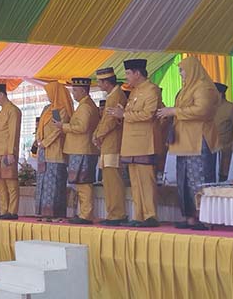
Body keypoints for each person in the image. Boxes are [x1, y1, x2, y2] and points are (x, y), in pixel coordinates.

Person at [157, 57, 219, 230]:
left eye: (182, 71)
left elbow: (203, 110)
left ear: (192, 70)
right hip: (184, 142)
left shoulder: (203, 87)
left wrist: (174, 111)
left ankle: (205, 218)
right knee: (184, 180)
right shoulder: (186, 89)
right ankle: (190, 217)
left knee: (199, 180)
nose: (181, 75)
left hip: (198, 141)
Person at [108, 59, 162, 228]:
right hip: (131, 143)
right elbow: (131, 114)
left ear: (138, 73)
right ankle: (139, 216)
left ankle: (150, 215)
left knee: (146, 180)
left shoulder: (151, 90)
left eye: (128, 74)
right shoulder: (135, 91)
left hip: (145, 141)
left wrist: (124, 114)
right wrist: (120, 114)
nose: (126, 78)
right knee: (135, 182)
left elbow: (148, 114)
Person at [59, 78, 100, 225]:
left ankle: (86, 214)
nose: (73, 94)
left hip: (83, 149)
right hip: (80, 149)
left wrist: (64, 126)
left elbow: (82, 128)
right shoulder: (84, 105)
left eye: (75, 91)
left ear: (83, 91)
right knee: (81, 183)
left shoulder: (85, 107)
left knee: (84, 183)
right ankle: (84, 213)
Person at [93, 67, 128, 225]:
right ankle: (112, 213)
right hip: (108, 144)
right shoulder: (112, 95)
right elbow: (104, 119)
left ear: (106, 82)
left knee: (113, 181)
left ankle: (117, 214)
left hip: (113, 143)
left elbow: (111, 120)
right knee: (107, 181)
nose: (99, 85)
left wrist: (99, 135)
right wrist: (97, 134)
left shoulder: (117, 96)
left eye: (100, 82)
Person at [35, 82, 73, 220]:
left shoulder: (59, 110)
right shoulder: (47, 109)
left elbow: (58, 130)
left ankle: (54, 214)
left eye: (49, 92)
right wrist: (38, 140)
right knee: (43, 183)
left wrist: (45, 143)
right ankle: (43, 213)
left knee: (54, 184)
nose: (48, 95)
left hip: (55, 151)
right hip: (43, 152)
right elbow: (40, 126)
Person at [0, 84, 22, 220]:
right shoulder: (1, 112)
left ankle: (12, 211)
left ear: (2, 94)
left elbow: (13, 133)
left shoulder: (13, 110)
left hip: (6, 152)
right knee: (0, 184)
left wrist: (11, 152)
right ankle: (3, 211)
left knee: (11, 183)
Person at [213, 83, 233, 182]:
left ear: (220, 94)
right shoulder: (209, 107)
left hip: (226, 148)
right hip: (211, 149)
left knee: (224, 176)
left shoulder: (231, 108)